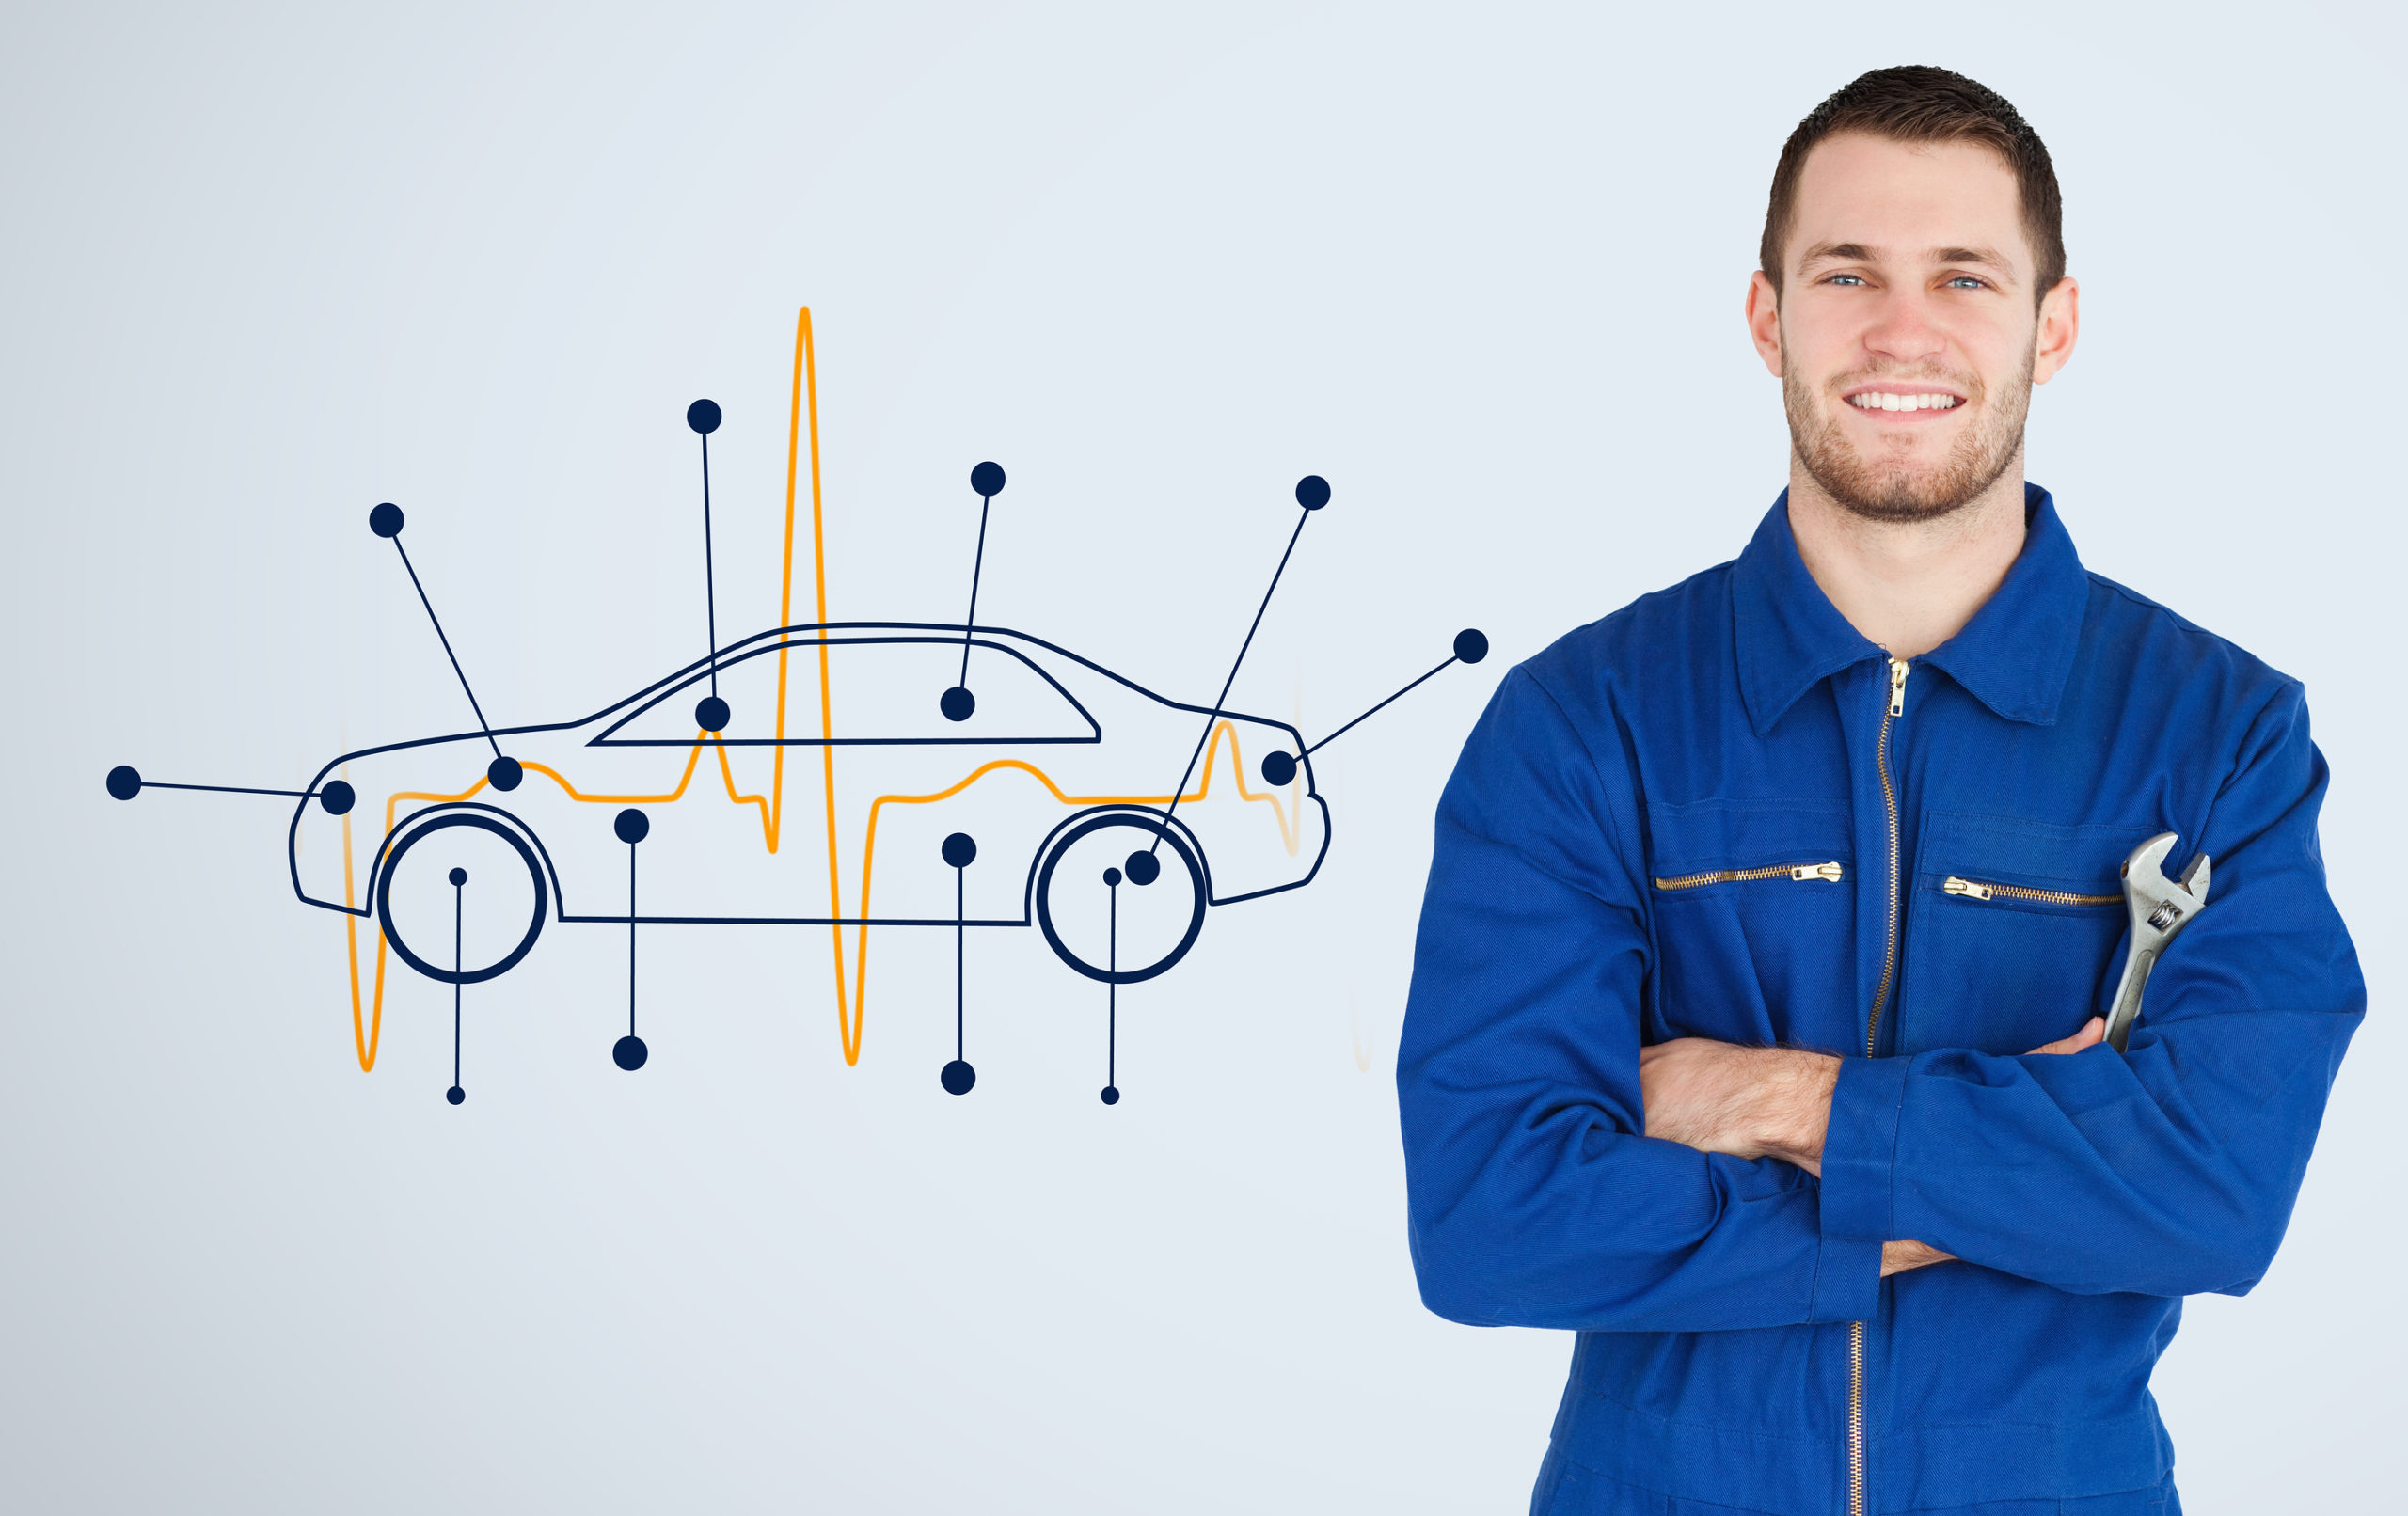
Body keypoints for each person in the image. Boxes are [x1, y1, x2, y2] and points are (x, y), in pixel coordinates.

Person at [1396, 65, 2362, 1516]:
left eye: (1964, 277)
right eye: (1847, 272)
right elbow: (1491, 1222)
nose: (1901, 330)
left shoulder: (2220, 733)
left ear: (2056, 325)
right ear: (1767, 317)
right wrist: (2010, 1177)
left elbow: (2212, 1195)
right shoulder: (1581, 723)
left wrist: (1771, 1096)